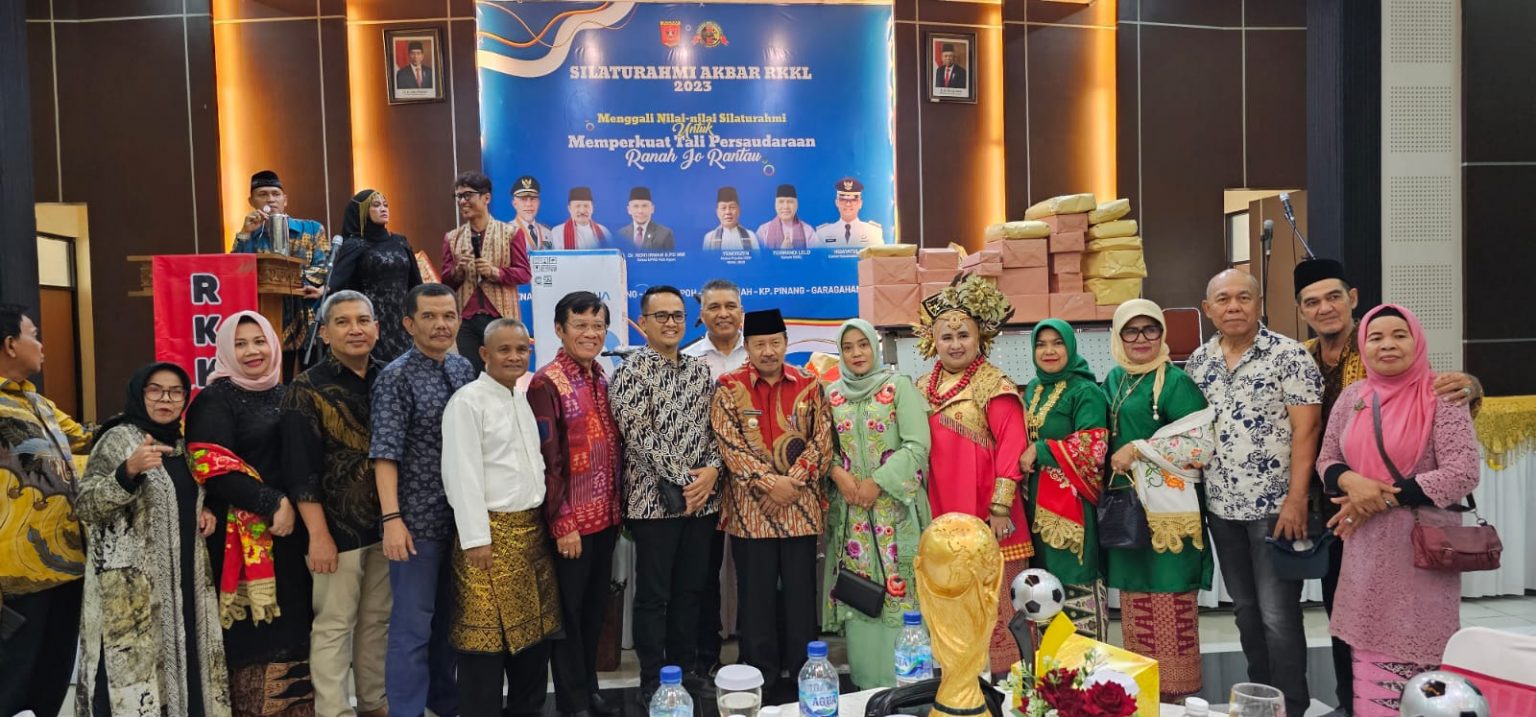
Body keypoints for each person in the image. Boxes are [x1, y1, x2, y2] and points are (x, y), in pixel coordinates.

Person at [1292, 258, 1483, 715]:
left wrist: (1373, 497)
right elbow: (1327, 455)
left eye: (1399, 335)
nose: (1387, 344)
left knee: (1420, 641)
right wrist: (1352, 483)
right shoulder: (1312, 365)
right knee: (1354, 631)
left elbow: (1462, 470)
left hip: (1414, 538)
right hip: (1350, 527)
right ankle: (1356, 705)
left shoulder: (1440, 392)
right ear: (1301, 310)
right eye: (1377, 338)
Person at [1184, 269, 1322, 717]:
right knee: (1245, 611)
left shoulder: (1289, 356)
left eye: (1244, 297)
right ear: (1208, 309)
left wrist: (1297, 499)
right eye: (1223, 299)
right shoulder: (1199, 362)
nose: (1234, 306)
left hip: (1274, 509)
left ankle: (1292, 706)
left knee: (1278, 615)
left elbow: (1307, 431)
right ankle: (1260, 702)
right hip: (1221, 509)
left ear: (1259, 303)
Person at [75, 362, 230, 716]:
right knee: (135, 685)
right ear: (139, 393)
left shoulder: (182, 444)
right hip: (133, 593)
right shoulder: (118, 439)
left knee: (187, 673)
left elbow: (183, 496)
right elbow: (85, 506)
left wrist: (203, 510)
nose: (166, 399)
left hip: (184, 584)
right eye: (155, 390)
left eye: (175, 392)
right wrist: (127, 471)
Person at [185, 311, 315, 715]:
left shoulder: (288, 393)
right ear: (225, 350)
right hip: (240, 542)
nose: (252, 351)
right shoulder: (215, 399)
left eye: (259, 341)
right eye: (240, 344)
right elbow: (210, 466)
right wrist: (272, 502)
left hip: (292, 539)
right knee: (254, 637)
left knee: (296, 629)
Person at [710, 308, 834, 702]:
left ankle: (804, 676)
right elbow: (729, 447)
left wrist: (791, 482)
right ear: (747, 347)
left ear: (785, 343)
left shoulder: (810, 385)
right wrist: (769, 484)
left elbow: (822, 442)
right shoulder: (728, 388)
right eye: (759, 344)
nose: (768, 351)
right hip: (751, 514)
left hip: (800, 509)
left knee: (801, 598)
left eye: (775, 343)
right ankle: (759, 678)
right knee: (755, 599)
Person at [441, 319, 562, 717]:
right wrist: (477, 539)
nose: (514, 357)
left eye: (521, 350)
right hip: (488, 541)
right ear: (484, 354)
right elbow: (462, 475)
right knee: (485, 646)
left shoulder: (521, 398)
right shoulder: (468, 402)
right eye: (504, 350)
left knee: (533, 642)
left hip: (530, 538)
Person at [914, 276, 1032, 677]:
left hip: (989, 516)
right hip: (942, 516)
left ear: (980, 336)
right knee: (952, 602)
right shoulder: (922, 388)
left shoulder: (993, 385)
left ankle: (1007, 684)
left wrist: (1000, 508)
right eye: (946, 336)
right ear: (933, 340)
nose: (955, 344)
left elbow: (1012, 446)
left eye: (963, 335)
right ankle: (959, 683)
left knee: (996, 605)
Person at [279, 291, 389, 717]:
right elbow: (299, 472)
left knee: (376, 621)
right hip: (336, 530)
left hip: (387, 526)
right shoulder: (306, 388)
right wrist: (319, 536)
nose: (354, 330)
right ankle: (333, 710)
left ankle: (374, 702)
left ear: (377, 327)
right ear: (324, 333)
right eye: (342, 322)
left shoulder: (389, 377)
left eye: (362, 320)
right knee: (334, 624)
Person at [610, 286, 723, 703]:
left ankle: (685, 670)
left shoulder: (700, 371)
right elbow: (639, 436)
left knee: (691, 591)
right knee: (654, 596)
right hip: (652, 505)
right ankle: (652, 679)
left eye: (677, 315)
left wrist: (712, 470)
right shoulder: (630, 372)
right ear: (643, 323)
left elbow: (717, 429)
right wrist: (686, 480)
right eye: (661, 316)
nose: (671, 323)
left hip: (703, 503)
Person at [1101, 300, 1214, 702]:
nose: (1141, 339)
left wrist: (1138, 449)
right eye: (1131, 331)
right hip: (1129, 514)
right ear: (1118, 336)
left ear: (1162, 334)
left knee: (1170, 598)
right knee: (1137, 608)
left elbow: (1200, 446)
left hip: (1169, 516)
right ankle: (1144, 699)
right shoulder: (1115, 379)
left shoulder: (1175, 382)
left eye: (1150, 329)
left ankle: (1176, 699)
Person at [371, 283, 475, 717]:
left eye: (448, 315)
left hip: (463, 521)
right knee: (412, 628)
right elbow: (385, 453)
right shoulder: (396, 377)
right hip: (416, 522)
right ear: (409, 324)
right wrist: (392, 519)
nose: (440, 325)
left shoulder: (464, 369)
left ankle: (444, 703)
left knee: (450, 623)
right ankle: (407, 710)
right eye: (429, 316)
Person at [527, 291, 625, 717]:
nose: (591, 333)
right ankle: (572, 702)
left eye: (598, 326)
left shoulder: (602, 376)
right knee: (567, 617)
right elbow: (547, 459)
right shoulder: (546, 382)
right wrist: (562, 521)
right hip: (570, 526)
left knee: (593, 612)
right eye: (581, 325)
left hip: (606, 518)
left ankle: (590, 691)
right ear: (559, 329)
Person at [821, 318, 932, 689]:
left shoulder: (898, 387)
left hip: (895, 513)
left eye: (863, 344)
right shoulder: (831, 395)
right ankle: (866, 685)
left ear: (875, 346)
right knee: (859, 595)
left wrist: (878, 482)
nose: (856, 353)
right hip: (852, 514)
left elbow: (917, 445)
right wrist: (838, 474)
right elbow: (824, 449)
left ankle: (908, 686)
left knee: (903, 597)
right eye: (848, 347)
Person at [0, 304, 94, 717]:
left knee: (50, 683)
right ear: (10, 344)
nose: (41, 345)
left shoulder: (38, 402)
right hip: (14, 577)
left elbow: (87, 440)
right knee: (11, 687)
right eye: (33, 334)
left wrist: (153, 417)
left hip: (67, 566)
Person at [1019, 319, 1110, 640]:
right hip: (1034, 506)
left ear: (1070, 346)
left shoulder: (1085, 391)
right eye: (1041, 344)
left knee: (1073, 579)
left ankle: (1084, 660)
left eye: (1057, 343)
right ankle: (1049, 665)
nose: (1049, 351)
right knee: (1041, 587)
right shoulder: (1034, 388)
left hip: (1071, 511)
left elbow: (1094, 446)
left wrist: (1040, 449)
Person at [681, 278, 748, 677]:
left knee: (754, 573)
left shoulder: (759, 353)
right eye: (714, 307)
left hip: (754, 486)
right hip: (705, 482)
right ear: (702, 314)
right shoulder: (687, 360)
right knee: (702, 574)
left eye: (730, 306)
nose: (723, 314)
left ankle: (756, 652)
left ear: (741, 312)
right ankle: (705, 657)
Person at [231, 170, 329, 373]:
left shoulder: (311, 229)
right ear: (251, 201)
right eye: (263, 194)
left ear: (285, 199)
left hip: (307, 318)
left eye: (276, 194)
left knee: (312, 378)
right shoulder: (249, 235)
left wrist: (282, 282)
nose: (270, 199)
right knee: (275, 378)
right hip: (267, 320)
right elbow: (236, 273)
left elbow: (322, 268)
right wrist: (245, 233)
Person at [442, 171, 533, 374]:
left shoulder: (510, 233)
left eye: (468, 195)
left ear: (486, 198)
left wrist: (495, 272)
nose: (462, 202)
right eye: (458, 196)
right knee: (470, 375)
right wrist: (458, 271)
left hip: (501, 316)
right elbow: (446, 282)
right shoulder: (452, 238)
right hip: (466, 320)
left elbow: (524, 274)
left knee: (503, 372)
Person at [329, 188, 423, 363]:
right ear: (362, 211)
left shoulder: (400, 241)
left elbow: (415, 282)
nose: (383, 209)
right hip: (371, 319)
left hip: (402, 319)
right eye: (376, 205)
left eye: (385, 205)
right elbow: (338, 280)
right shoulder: (355, 245)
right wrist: (323, 290)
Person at [815, 177, 884, 247]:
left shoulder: (874, 232)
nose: (848, 204)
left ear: (860, 203)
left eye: (853, 200)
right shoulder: (823, 233)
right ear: (836, 202)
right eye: (843, 200)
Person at [755, 184, 817, 250]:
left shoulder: (808, 231)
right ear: (775, 205)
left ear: (796, 205)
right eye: (781, 202)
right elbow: (756, 256)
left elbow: (818, 255)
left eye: (790, 202)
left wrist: (792, 254)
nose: (785, 206)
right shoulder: (763, 231)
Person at [703, 186, 759, 251]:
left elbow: (757, 258)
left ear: (739, 210)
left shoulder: (751, 236)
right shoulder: (709, 238)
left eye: (732, 207)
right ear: (717, 212)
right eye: (723, 208)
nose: (728, 212)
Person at [619, 186, 675, 251]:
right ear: (629, 210)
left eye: (644, 206)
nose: (640, 211)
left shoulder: (664, 234)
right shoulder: (621, 234)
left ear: (652, 209)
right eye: (635, 206)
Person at [511, 175, 554, 250]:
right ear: (514, 204)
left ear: (539, 202)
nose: (529, 204)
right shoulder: (507, 232)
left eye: (533, 199)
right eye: (523, 199)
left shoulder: (548, 232)